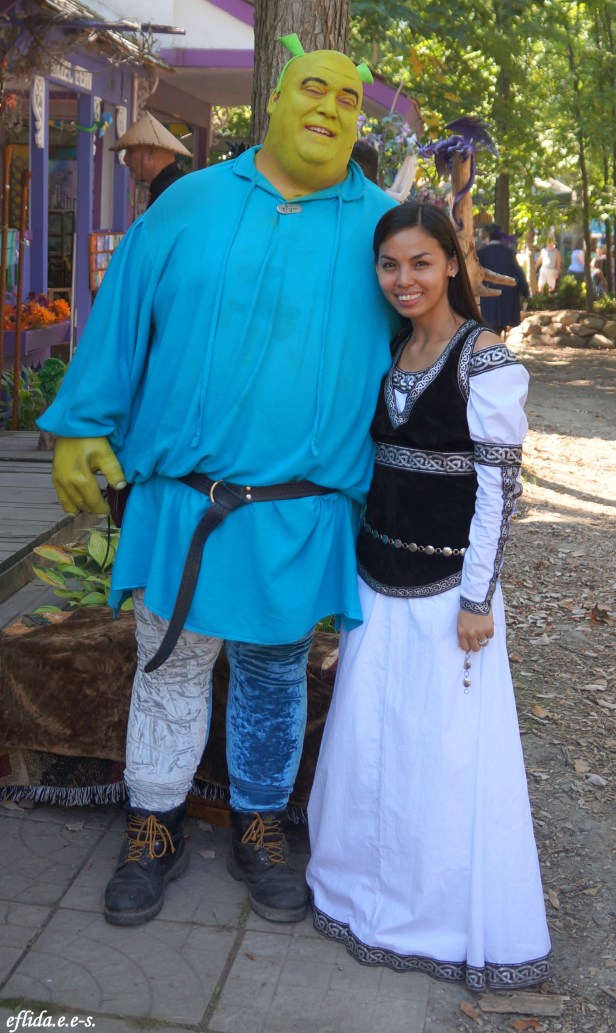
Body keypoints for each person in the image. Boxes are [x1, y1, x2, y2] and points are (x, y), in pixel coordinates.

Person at [38, 34, 399, 928]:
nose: (327, 107)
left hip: (298, 512)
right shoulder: (187, 205)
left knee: (274, 675)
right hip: (182, 501)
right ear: (272, 104)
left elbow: (430, 343)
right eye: (310, 89)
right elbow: (122, 316)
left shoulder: (387, 226)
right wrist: (81, 424)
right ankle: (153, 823)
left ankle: (261, 823)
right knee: (168, 663)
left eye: (347, 99)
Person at [307, 201, 552, 991]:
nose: (403, 279)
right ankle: (359, 891)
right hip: (377, 584)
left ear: (452, 261)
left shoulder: (487, 361)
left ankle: (438, 912)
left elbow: (497, 493)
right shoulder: (385, 349)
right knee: (372, 743)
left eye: (420, 262)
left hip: (453, 594)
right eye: (389, 265)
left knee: (442, 757)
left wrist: (477, 598)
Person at [110, 111, 191, 208]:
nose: (125, 158)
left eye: (130, 151)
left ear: (150, 154)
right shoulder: (176, 185)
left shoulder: (172, 191)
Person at [477, 223, 529, 335]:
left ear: (489, 236)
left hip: (489, 293)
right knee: (502, 326)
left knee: (490, 326)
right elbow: (518, 272)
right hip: (507, 293)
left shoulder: (481, 253)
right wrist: (525, 291)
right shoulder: (508, 252)